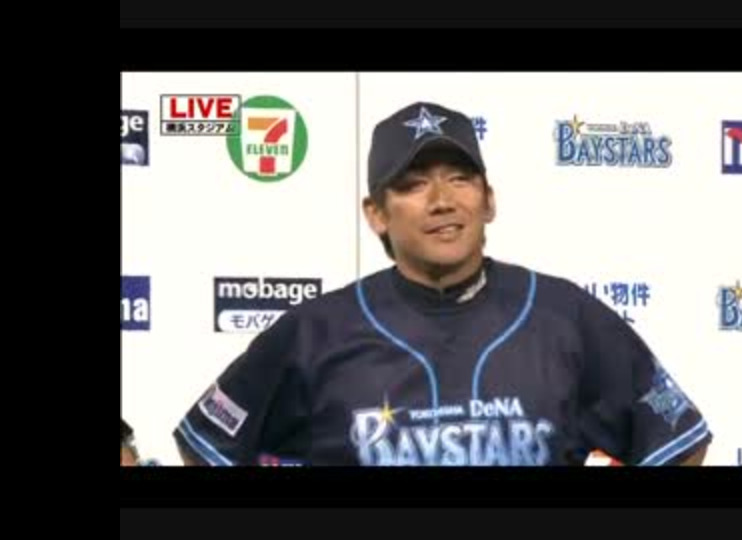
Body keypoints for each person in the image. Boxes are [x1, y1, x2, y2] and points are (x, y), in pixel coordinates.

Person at [173, 101, 712, 466]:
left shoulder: (563, 315)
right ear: (376, 214)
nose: (442, 201)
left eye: (460, 179)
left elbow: (679, 440)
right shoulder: (316, 331)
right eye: (413, 185)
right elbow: (208, 444)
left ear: (489, 199)